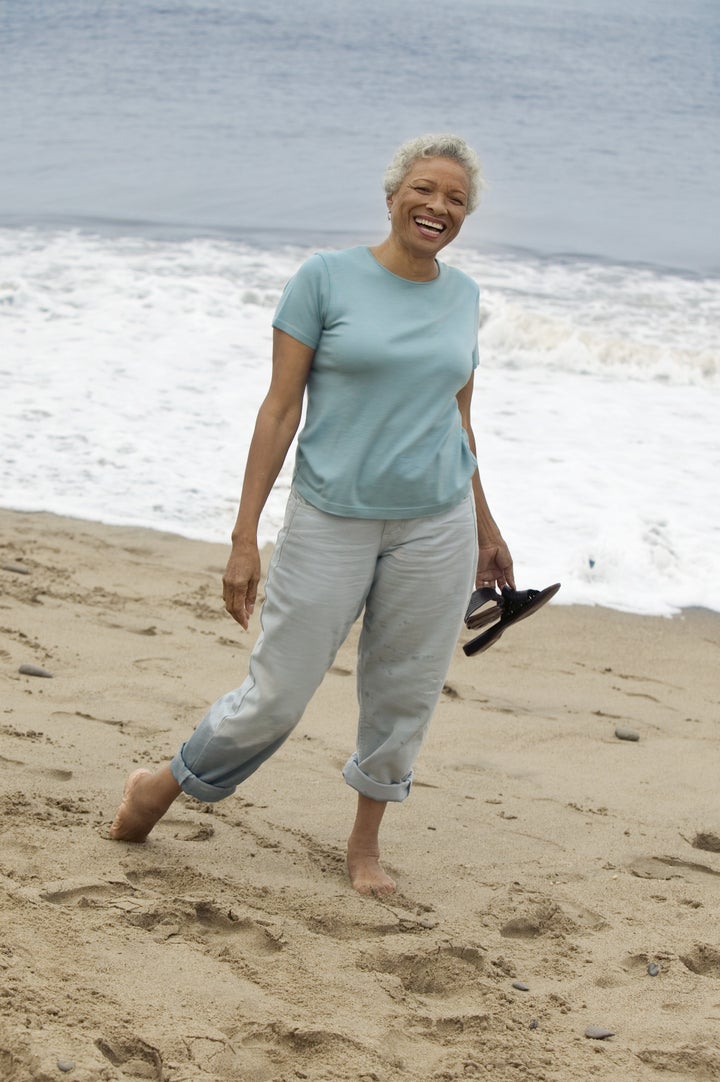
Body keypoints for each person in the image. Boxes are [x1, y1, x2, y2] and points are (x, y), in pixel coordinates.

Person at [110, 132, 515, 895]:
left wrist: (487, 530)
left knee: (404, 691)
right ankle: (160, 784)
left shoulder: (463, 298)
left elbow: (459, 422)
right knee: (276, 694)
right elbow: (279, 409)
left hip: (435, 523)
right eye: (424, 191)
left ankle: (365, 848)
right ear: (393, 195)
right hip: (331, 517)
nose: (438, 208)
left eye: (456, 200)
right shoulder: (323, 280)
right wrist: (244, 537)